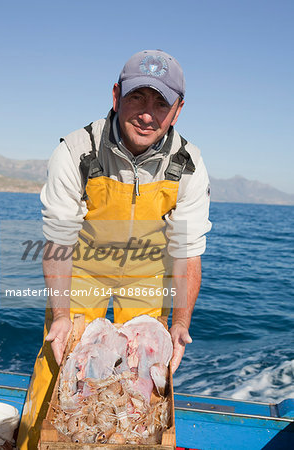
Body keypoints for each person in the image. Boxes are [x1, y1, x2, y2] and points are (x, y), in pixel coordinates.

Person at [17, 49, 211, 449]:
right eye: (137, 97)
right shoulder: (76, 150)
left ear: (177, 111)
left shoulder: (189, 164)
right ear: (115, 96)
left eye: (161, 103)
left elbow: (188, 251)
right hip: (84, 271)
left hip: (146, 276)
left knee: (142, 382)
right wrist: (61, 314)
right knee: (60, 367)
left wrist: (180, 325)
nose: (147, 113)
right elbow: (58, 238)